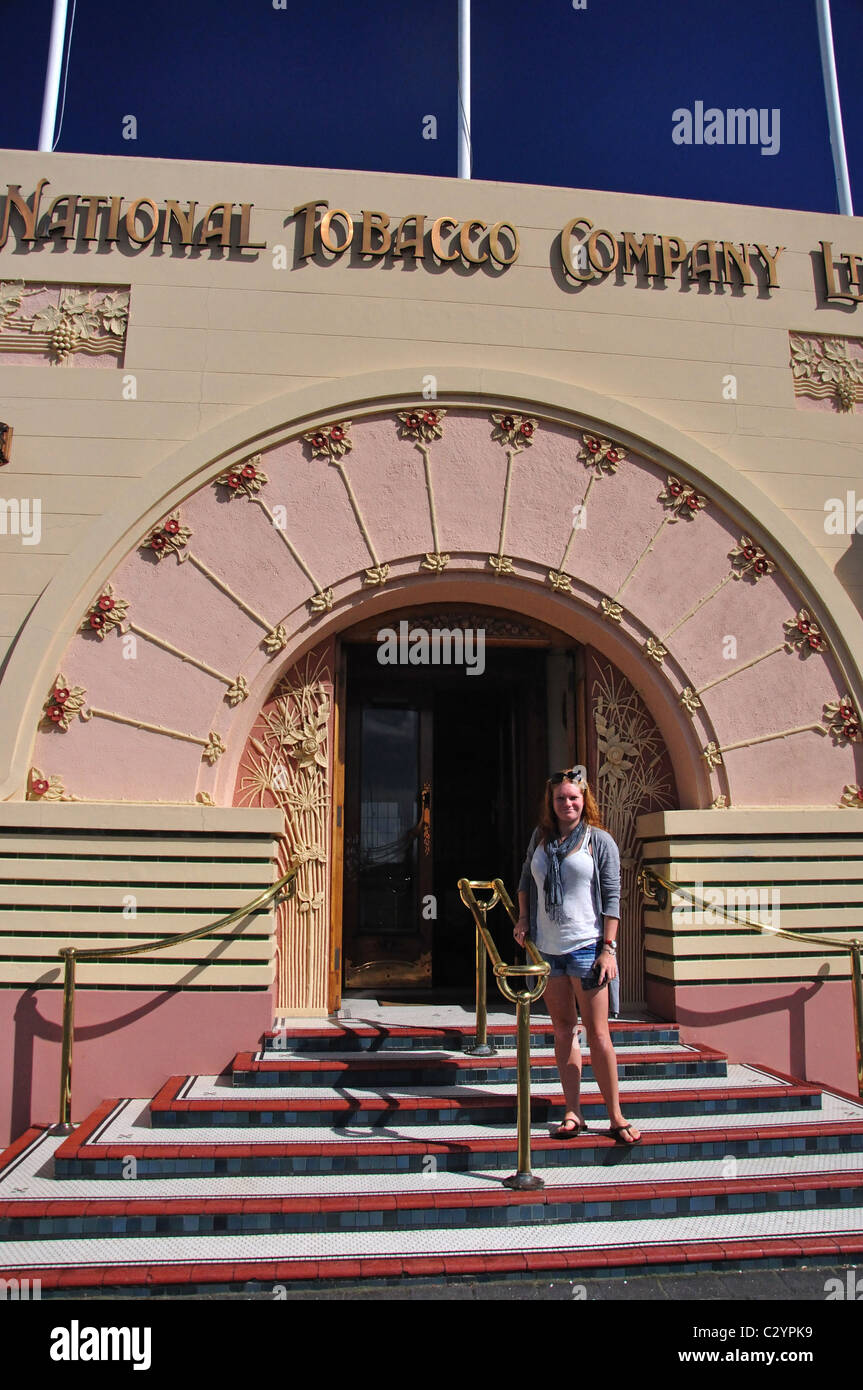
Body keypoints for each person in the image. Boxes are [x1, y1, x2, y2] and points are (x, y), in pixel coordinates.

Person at [513, 767, 641, 1144]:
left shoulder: (598, 841)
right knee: (564, 1031)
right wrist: (522, 919)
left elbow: (613, 898)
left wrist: (609, 949)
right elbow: (524, 881)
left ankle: (615, 1115)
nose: (567, 803)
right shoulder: (541, 838)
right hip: (548, 951)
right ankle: (573, 1111)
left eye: (573, 797)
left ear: (584, 800)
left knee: (599, 1035)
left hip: (587, 948)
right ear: (550, 804)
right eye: (560, 798)